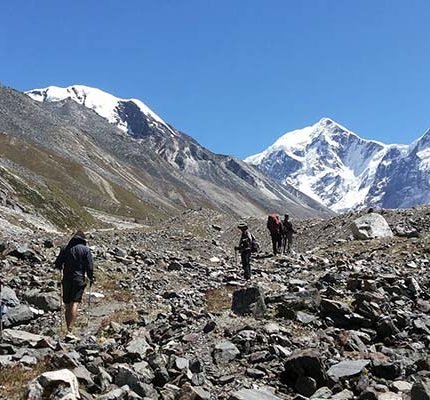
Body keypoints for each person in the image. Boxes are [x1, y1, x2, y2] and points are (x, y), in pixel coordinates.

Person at [55, 230, 94, 333]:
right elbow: (90, 267)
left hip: (66, 279)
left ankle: (68, 328)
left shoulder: (65, 248)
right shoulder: (86, 250)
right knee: (75, 303)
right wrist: (91, 278)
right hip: (79, 279)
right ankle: (70, 329)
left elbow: (57, 264)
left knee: (67, 303)